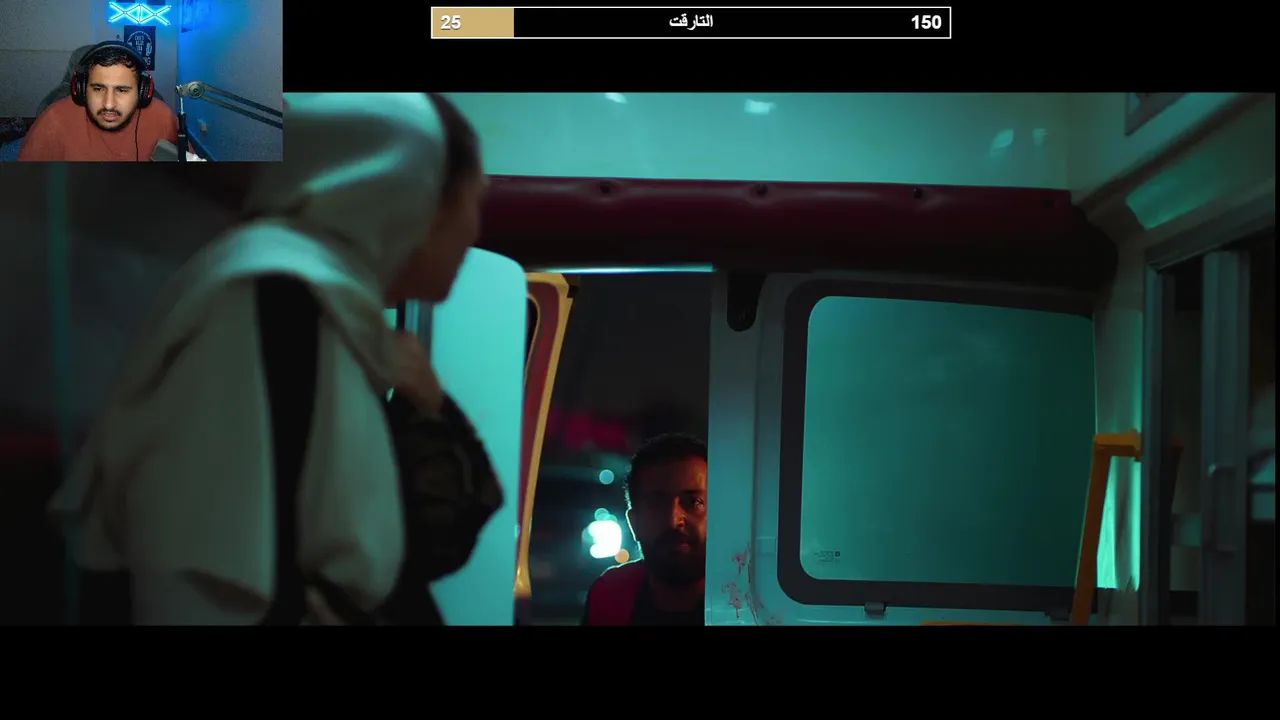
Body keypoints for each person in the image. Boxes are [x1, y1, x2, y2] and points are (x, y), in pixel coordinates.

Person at [49, 92, 501, 625]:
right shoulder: (273, 296)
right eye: (470, 201)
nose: (474, 228)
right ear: (412, 196)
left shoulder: (313, 301)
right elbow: (218, 581)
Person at [582, 433, 707, 626]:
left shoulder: (749, 597)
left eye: (692, 502)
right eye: (656, 503)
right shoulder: (609, 596)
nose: (674, 520)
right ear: (634, 523)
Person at [19, 41, 180, 162]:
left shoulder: (163, 118)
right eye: (98, 88)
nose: (108, 104)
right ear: (81, 89)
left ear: (142, 91)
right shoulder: (54, 120)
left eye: (122, 90)